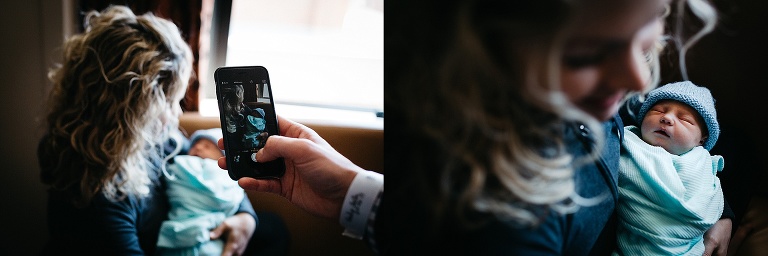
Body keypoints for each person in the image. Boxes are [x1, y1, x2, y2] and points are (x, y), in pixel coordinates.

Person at [218, 0, 736, 255]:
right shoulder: (504, 222)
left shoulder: (598, 98)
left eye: (648, 23)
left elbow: (690, 160)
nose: (633, 76)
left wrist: (353, 194)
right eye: (586, 52)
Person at [36, 5, 274, 255]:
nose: (177, 114)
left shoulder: (151, 136)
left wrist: (245, 218)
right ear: (137, 112)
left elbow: (201, 156)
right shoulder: (97, 201)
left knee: (273, 230)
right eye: (171, 103)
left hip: (180, 226)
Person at [615, 81, 725, 255]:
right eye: (658, 110)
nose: (666, 118)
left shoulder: (702, 165)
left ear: (701, 140)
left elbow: (706, 203)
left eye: (684, 119)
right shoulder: (627, 143)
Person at [157, 128, 289, 256]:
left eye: (207, 146)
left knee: (275, 228)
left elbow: (231, 188)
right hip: (186, 220)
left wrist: (246, 217)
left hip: (216, 221)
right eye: (195, 146)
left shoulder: (173, 138)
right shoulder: (179, 163)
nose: (198, 148)